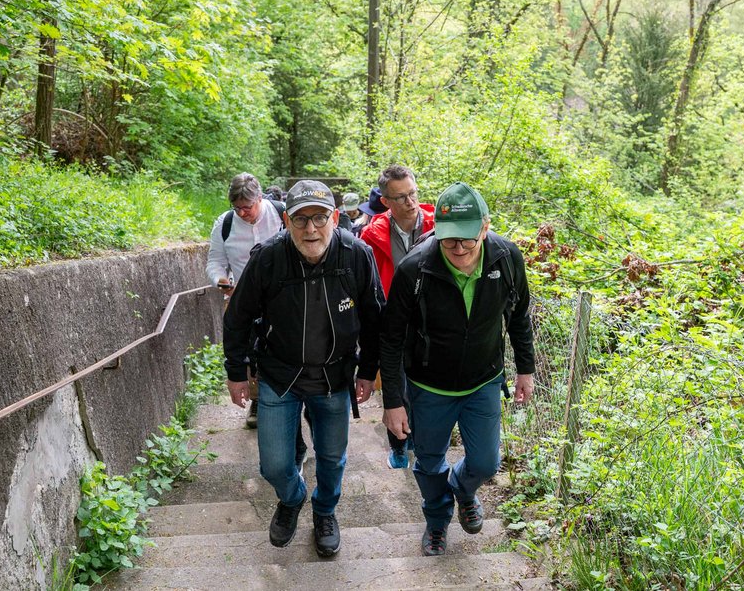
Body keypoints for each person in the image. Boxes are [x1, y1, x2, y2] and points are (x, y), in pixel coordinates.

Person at [363, 181, 535, 557]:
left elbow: (519, 316)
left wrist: (526, 369)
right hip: (429, 386)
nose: (458, 248)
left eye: (467, 240)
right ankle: (437, 521)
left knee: (487, 462)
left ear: (485, 228)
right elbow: (390, 340)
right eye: (448, 239)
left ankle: (462, 489)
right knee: (428, 462)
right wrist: (393, 401)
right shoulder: (415, 269)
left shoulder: (506, 259)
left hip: (483, 381)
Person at [223, 179, 384, 558]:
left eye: (319, 218)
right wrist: (236, 371)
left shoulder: (356, 255)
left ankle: (325, 511)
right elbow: (238, 318)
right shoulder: (268, 258)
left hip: (334, 377)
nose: (311, 229)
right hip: (280, 376)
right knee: (275, 466)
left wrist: (368, 371)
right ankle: (292, 498)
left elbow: (377, 320)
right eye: (301, 219)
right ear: (286, 220)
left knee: (332, 457)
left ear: (335, 217)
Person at [360, 165, 435, 469]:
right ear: (386, 202)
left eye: (413, 193)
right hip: (392, 319)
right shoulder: (371, 235)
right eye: (401, 197)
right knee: (397, 383)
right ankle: (400, 443)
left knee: (425, 383)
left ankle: (421, 437)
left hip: (432, 321)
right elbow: (368, 282)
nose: (410, 202)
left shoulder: (438, 226)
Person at [206, 173, 285, 428]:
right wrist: (220, 280)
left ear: (260, 198)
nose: (242, 213)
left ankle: (291, 397)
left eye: (247, 207)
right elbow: (216, 261)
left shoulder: (282, 214)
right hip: (243, 297)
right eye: (236, 208)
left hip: (282, 297)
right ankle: (258, 400)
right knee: (248, 352)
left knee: (283, 348)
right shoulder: (225, 224)